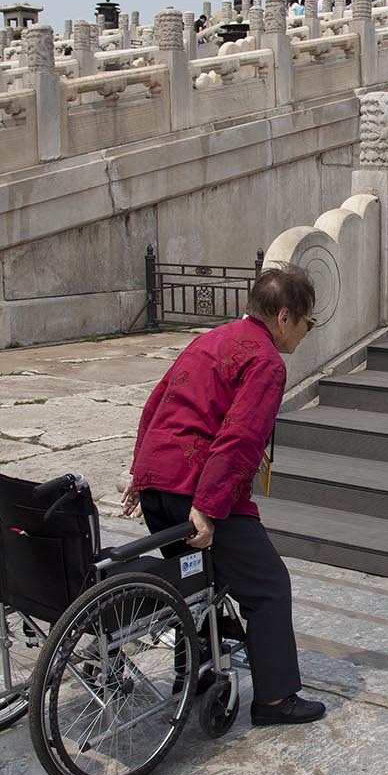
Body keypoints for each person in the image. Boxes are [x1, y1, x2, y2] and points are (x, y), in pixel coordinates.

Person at [120, 266, 326, 727]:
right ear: (285, 317)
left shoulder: (212, 339)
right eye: (308, 322)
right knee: (269, 587)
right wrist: (208, 510)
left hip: (160, 485)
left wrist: (141, 471)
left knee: (197, 583)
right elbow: (239, 439)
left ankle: (193, 672)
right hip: (198, 489)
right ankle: (275, 700)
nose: (306, 333)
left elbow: (157, 402)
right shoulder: (267, 361)